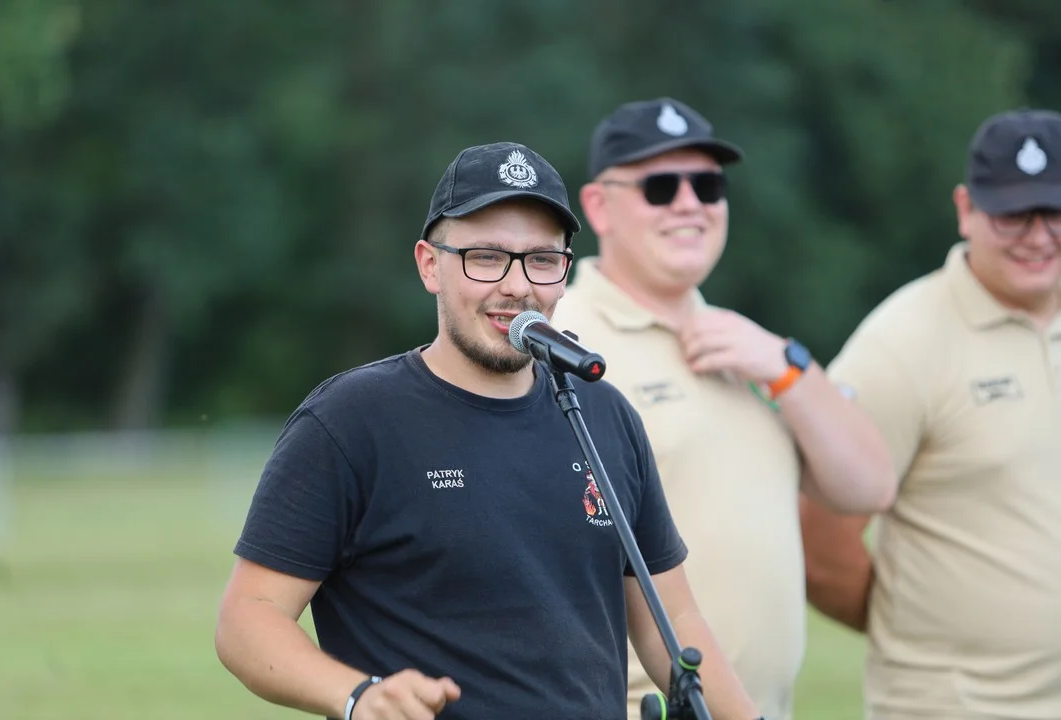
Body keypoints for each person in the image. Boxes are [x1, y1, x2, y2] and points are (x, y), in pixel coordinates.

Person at [214, 140, 766, 720]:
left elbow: (671, 622)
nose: (517, 286)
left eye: (541, 260)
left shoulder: (604, 415)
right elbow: (248, 617)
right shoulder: (351, 421)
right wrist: (358, 697)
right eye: (486, 257)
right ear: (431, 265)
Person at [551, 97, 899, 720]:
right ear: (598, 206)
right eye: (661, 186)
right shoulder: (567, 346)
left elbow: (867, 486)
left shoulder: (754, 351)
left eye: (708, 185)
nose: (690, 203)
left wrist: (791, 369)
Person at [798, 108, 1061, 720]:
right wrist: (923, 630)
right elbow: (823, 546)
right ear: (967, 208)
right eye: (1013, 212)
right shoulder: (900, 344)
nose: (1039, 234)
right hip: (952, 706)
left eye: (1053, 211)